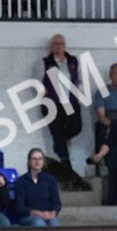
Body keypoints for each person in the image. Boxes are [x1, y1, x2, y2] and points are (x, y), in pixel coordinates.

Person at [31, 35, 83, 174]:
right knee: (57, 131)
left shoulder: (73, 61)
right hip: (52, 103)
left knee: (76, 127)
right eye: (56, 44)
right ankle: (66, 164)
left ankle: (60, 141)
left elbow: (79, 79)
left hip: (70, 102)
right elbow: (37, 82)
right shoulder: (44, 63)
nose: (59, 46)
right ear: (51, 46)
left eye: (61, 43)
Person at [15, 148, 62, 227]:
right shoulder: (21, 181)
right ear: (29, 162)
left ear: (43, 161)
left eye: (40, 159)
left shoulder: (50, 180)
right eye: (34, 159)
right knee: (39, 223)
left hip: (48, 215)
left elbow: (57, 203)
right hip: (29, 216)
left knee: (54, 224)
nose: (37, 162)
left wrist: (53, 213)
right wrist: (37, 213)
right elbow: (19, 207)